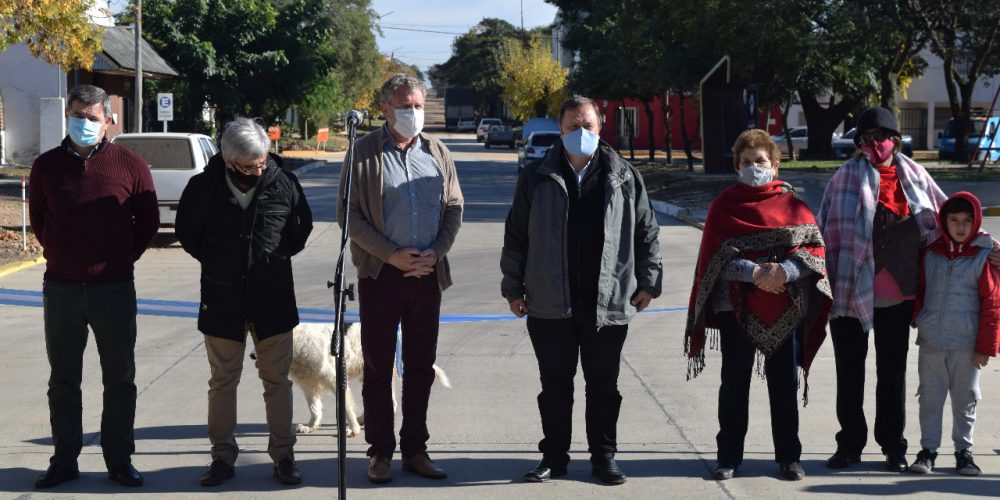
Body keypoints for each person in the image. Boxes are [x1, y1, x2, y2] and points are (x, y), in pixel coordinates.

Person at [500, 96, 662, 485]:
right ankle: (553, 457)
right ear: (560, 129)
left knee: (603, 386)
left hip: (607, 303)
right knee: (554, 386)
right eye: (573, 126)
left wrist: (649, 282)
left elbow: (647, 232)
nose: (581, 132)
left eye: (587, 125)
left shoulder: (623, 175)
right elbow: (516, 236)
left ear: (601, 127)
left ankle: (603, 457)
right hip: (548, 302)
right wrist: (513, 288)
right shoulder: (537, 176)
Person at [29, 84, 159, 489]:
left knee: (119, 379)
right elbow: (39, 221)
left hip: (114, 289)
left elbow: (148, 223)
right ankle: (64, 460)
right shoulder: (46, 166)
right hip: (62, 289)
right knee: (63, 380)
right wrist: (64, 256)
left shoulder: (131, 164)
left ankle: (119, 461)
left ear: (107, 120)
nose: (82, 123)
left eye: (91, 117)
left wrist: (120, 260)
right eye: (76, 115)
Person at [684, 129, 832, 481]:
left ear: (775, 166)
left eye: (761, 162)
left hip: (785, 307)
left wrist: (784, 271)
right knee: (733, 384)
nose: (754, 167)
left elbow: (813, 251)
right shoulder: (723, 206)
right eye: (747, 162)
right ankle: (728, 457)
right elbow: (713, 261)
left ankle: (789, 457)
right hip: (735, 308)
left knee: (784, 386)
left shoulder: (794, 204)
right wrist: (754, 273)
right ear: (737, 167)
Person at [337, 73, 463, 484]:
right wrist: (391, 255)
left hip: (427, 275)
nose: (414, 112)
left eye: (418, 105)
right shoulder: (364, 152)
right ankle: (380, 452)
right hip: (381, 276)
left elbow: (454, 208)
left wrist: (436, 251)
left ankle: (415, 449)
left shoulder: (438, 152)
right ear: (386, 108)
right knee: (377, 368)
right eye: (405, 105)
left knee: (421, 367)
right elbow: (348, 215)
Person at [175, 117, 313, 487]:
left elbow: (300, 231)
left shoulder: (284, 183)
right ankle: (222, 457)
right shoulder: (201, 188)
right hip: (222, 300)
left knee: (277, 381)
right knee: (222, 381)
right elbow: (188, 235)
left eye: (262, 162)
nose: (258, 170)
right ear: (229, 160)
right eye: (250, 166)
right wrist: (221, 261)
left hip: (273, 299)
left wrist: (271, 258)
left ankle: (284, 456)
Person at [818, 106, 953, 472]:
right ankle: (849, 444)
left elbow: (949, 218)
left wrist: (986, 247)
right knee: (850, 370)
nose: (873, 144)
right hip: (848, 289)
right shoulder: (844, 178)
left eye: (881, 137)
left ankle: (894, 445)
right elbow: (823, 228)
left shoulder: (916, 176)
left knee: (892, 372)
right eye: (866, 138)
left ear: (895, 139)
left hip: (899, 292)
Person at [909, 192, 1000, 476]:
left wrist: (986, 346)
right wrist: (918, 317)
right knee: (930, 399)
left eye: (967, 221)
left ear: (976, 223)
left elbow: (993, 304)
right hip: (933, 342)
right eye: (954, 220)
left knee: (965, 400)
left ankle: (964, 452)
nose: (960, 227)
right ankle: (928, 451)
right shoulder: (930, 252)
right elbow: (920, 288)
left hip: (967, 345)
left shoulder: (986, 255)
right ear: (943, 221)